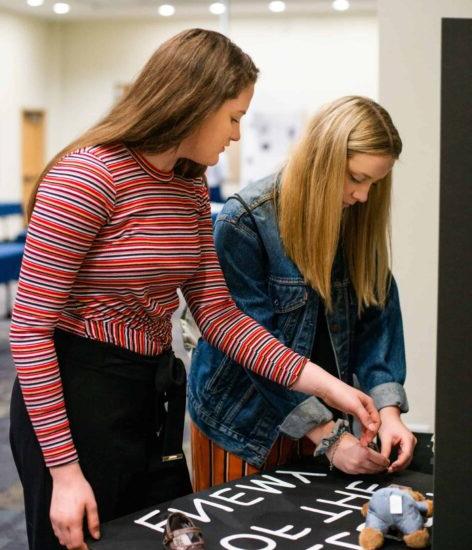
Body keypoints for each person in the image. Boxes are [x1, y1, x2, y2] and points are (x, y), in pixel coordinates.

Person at [9, 31, 380, 550]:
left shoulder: (188, 185)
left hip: (151, 394)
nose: (236, 134)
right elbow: (28, 331)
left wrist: (328, 386)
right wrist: (66, 475)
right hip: (76, 399)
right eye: (233, 117)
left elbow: (220, 317)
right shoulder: (87, 178)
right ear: (193, 103)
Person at [189, 95, 417, 484]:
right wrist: (327, 436)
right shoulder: (246, 221)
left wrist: (389, 411)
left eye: (374, 184)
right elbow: (253, 347)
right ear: (322, 164)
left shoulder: (356, 218)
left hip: (331, 424)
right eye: (357, 178)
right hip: (244, 426)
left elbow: (377, 321)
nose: (363, 196)